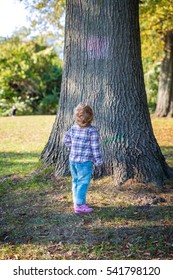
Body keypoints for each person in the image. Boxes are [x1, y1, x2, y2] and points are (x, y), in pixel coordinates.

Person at [64, 103, 103, 213]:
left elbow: (66, 139)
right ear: (91, 117)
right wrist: (98, 161)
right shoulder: (92, 131)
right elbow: (95, 148)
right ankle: (80, 205)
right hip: (85, 162)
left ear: (76, 117)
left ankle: (76, 202)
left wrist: (71, 148)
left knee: (76, 181)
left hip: (73, 160)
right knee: (83, 182)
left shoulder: (73, 128)